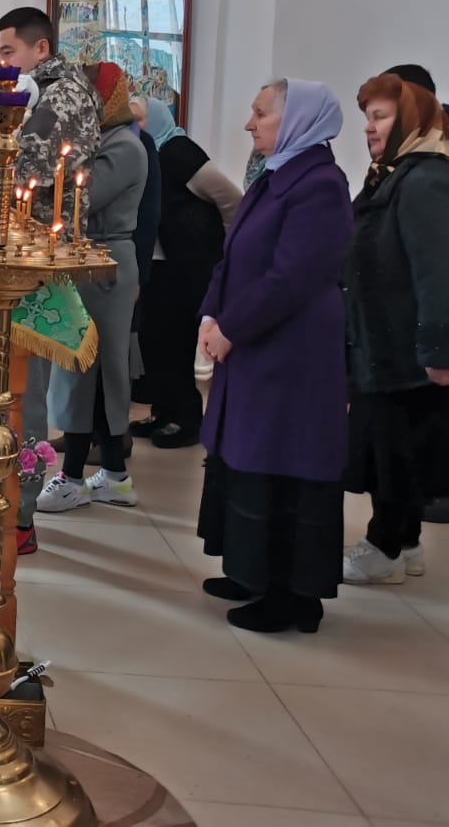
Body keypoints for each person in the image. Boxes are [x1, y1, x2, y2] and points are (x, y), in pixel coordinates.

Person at [196, 78, 351, 634]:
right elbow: (233, 255)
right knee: (247, 458)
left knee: (283, 464)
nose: (250, 122)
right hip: (256, 343)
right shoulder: (276, 174)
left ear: (298, 119)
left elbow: (293, 276)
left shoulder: (321, 185)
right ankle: (251, 571)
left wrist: (233, 327)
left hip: (291, 352)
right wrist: (211, 315)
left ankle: (291, 595)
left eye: (261, 113)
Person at [0, 8, 101, 554]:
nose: (1, 64)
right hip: (15, 250)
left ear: (41, 48)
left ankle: (18, 512)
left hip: (33, 257)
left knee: (16, 387)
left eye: (8, 52)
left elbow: (24, 166)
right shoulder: (36, 93)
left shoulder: (61, 95)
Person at [340, 72, 449, 584]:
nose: (369, 127)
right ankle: (405, 542)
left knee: (394, 452)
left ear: (410, 119)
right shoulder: (394, 173)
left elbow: (435, 271)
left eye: (380, 117)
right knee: (393, 449)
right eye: (367, 117)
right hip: (383, 342)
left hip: (403, 349)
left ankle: (383, 547)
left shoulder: (425, 180)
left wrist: (437, 349)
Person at [33, 64, 147, 516]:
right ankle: (115, 476)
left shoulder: (124, 146)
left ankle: (74, 477)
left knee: (90, 369)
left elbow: (80, 198)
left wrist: (43, 168)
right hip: (85, 258)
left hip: (104, 260)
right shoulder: (102, 139)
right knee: (84, 368)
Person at [128, 97, 241, 449]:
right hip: (158, 264)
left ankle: (187, 418)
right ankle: (163, 412)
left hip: (184, 265)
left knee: (175, 340)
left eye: (139, 120)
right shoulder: (145, 154)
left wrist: (228, 243)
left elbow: (230, 197)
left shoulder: (178, 151)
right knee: (156, 341)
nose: (134, 127)